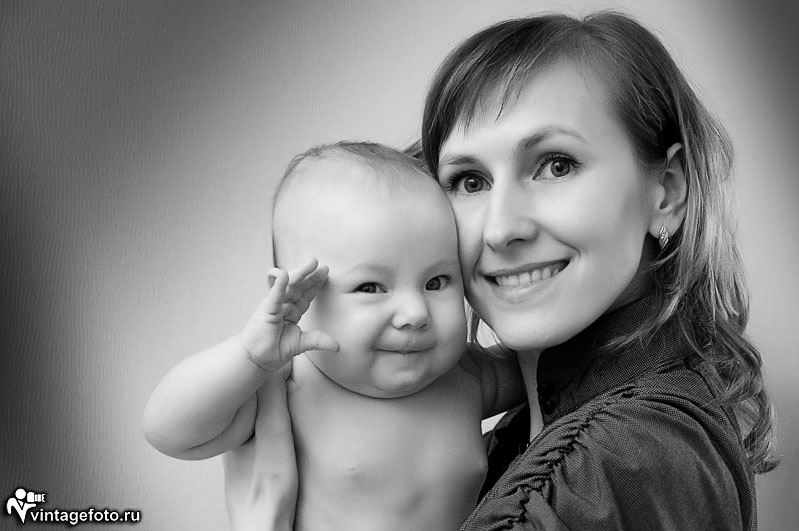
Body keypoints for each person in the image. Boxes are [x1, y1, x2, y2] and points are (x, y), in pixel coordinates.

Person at [415, 10, 779, 530]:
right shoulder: (557, 437)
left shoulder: (611, 465)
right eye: (470, 181)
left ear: (666, 192)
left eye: (556, 165)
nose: (500, 229)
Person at [142, 142, 522, 531]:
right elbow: (169, 432)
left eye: (436, 282)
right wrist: (249, 356)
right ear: (295, 297)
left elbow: (552, 371)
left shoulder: (465, 376)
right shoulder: (287, 388)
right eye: (371, 287)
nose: (415, 314)